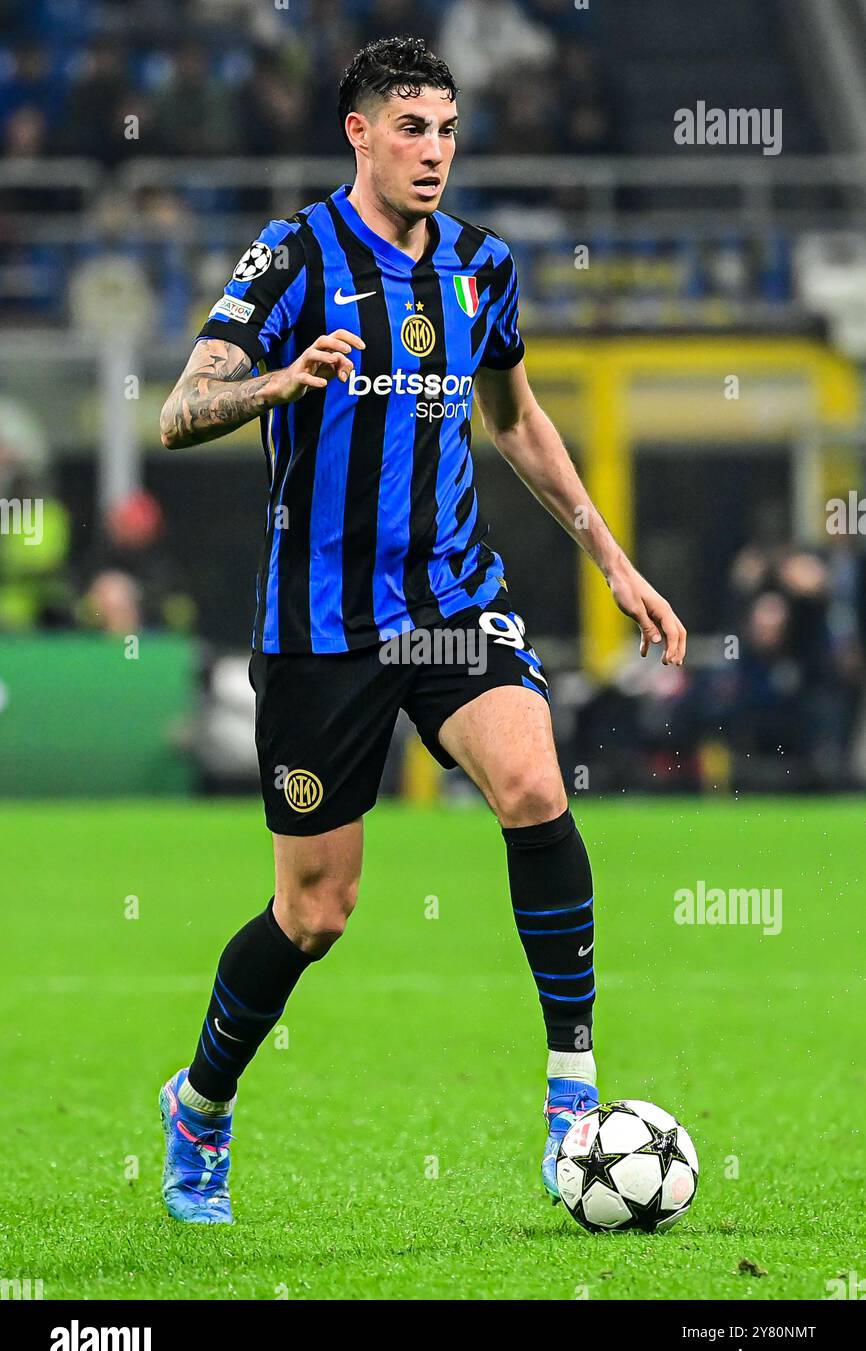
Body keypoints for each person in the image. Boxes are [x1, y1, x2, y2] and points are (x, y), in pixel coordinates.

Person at [157, 35, 686, 1224]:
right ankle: (199, 1105)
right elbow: (181, 409)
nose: (433, 151)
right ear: (358, 132)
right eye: (409, 128)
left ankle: (569, 1088)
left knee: (533, 785)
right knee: (314, 911)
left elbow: (516, 418)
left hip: (449, 605)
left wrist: (608, 556)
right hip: (321, 628)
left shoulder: (481, 269)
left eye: (446, 129)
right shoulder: (294, 254)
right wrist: (274, 381)